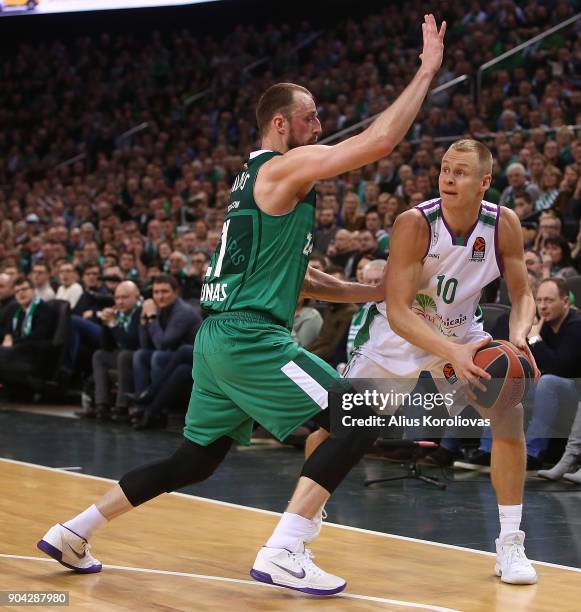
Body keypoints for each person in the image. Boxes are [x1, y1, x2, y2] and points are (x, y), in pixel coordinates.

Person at [37, 14, 446, 596]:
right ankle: (285, 548)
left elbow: (298, 277)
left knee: (193, 462)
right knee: (362, 415)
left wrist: (368, 292)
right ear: (281, 123)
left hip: (218, 340)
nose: (320, 124)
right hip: (252, 338)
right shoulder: (282, 168)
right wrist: (426, 70)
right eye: (311, 116)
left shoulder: (254, 183)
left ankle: (74, 531)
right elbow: (378, 141)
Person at [341, 139, 541, 585]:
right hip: (401, 338)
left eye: (461, 172)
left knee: (508, 413)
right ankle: (302, 526)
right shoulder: (415, 224)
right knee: (338, 429)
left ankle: (510, 543)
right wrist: (453, 353)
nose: (448, 178)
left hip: (461, 335)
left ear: (485, 182)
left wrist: (519, 336)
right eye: (445, 169)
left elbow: (523, 293)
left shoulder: (502, 224)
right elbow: (398, 310)